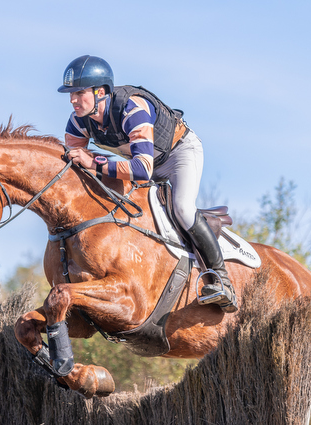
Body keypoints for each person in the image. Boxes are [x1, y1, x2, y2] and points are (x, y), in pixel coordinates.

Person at [58, 55, 237, 313]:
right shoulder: (77, 121)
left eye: (79, 93)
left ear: (101, 92)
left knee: (183, 208)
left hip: (178, 155)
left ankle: (221, 280)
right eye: (71, 94)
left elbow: (142, 170)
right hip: (140, 160)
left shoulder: (133, 108)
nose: (73, 100)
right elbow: (75, 166)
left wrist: (94, 162)